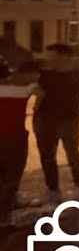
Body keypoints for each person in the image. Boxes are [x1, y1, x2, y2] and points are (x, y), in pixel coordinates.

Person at [33, 44, 79, 205]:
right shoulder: (44, 74)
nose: (48, 59)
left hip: (68, 121)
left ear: (64, 56)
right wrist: (36, 115)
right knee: (47, 157)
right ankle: (53, 190)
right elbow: (39, 95)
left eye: (52, 56)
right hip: (45, 121)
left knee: (72, 155)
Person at [0, 61, 42, 225]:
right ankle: (4, 216)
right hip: (14, 138)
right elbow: (41, 93)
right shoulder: (23, 90)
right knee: (12, 176)